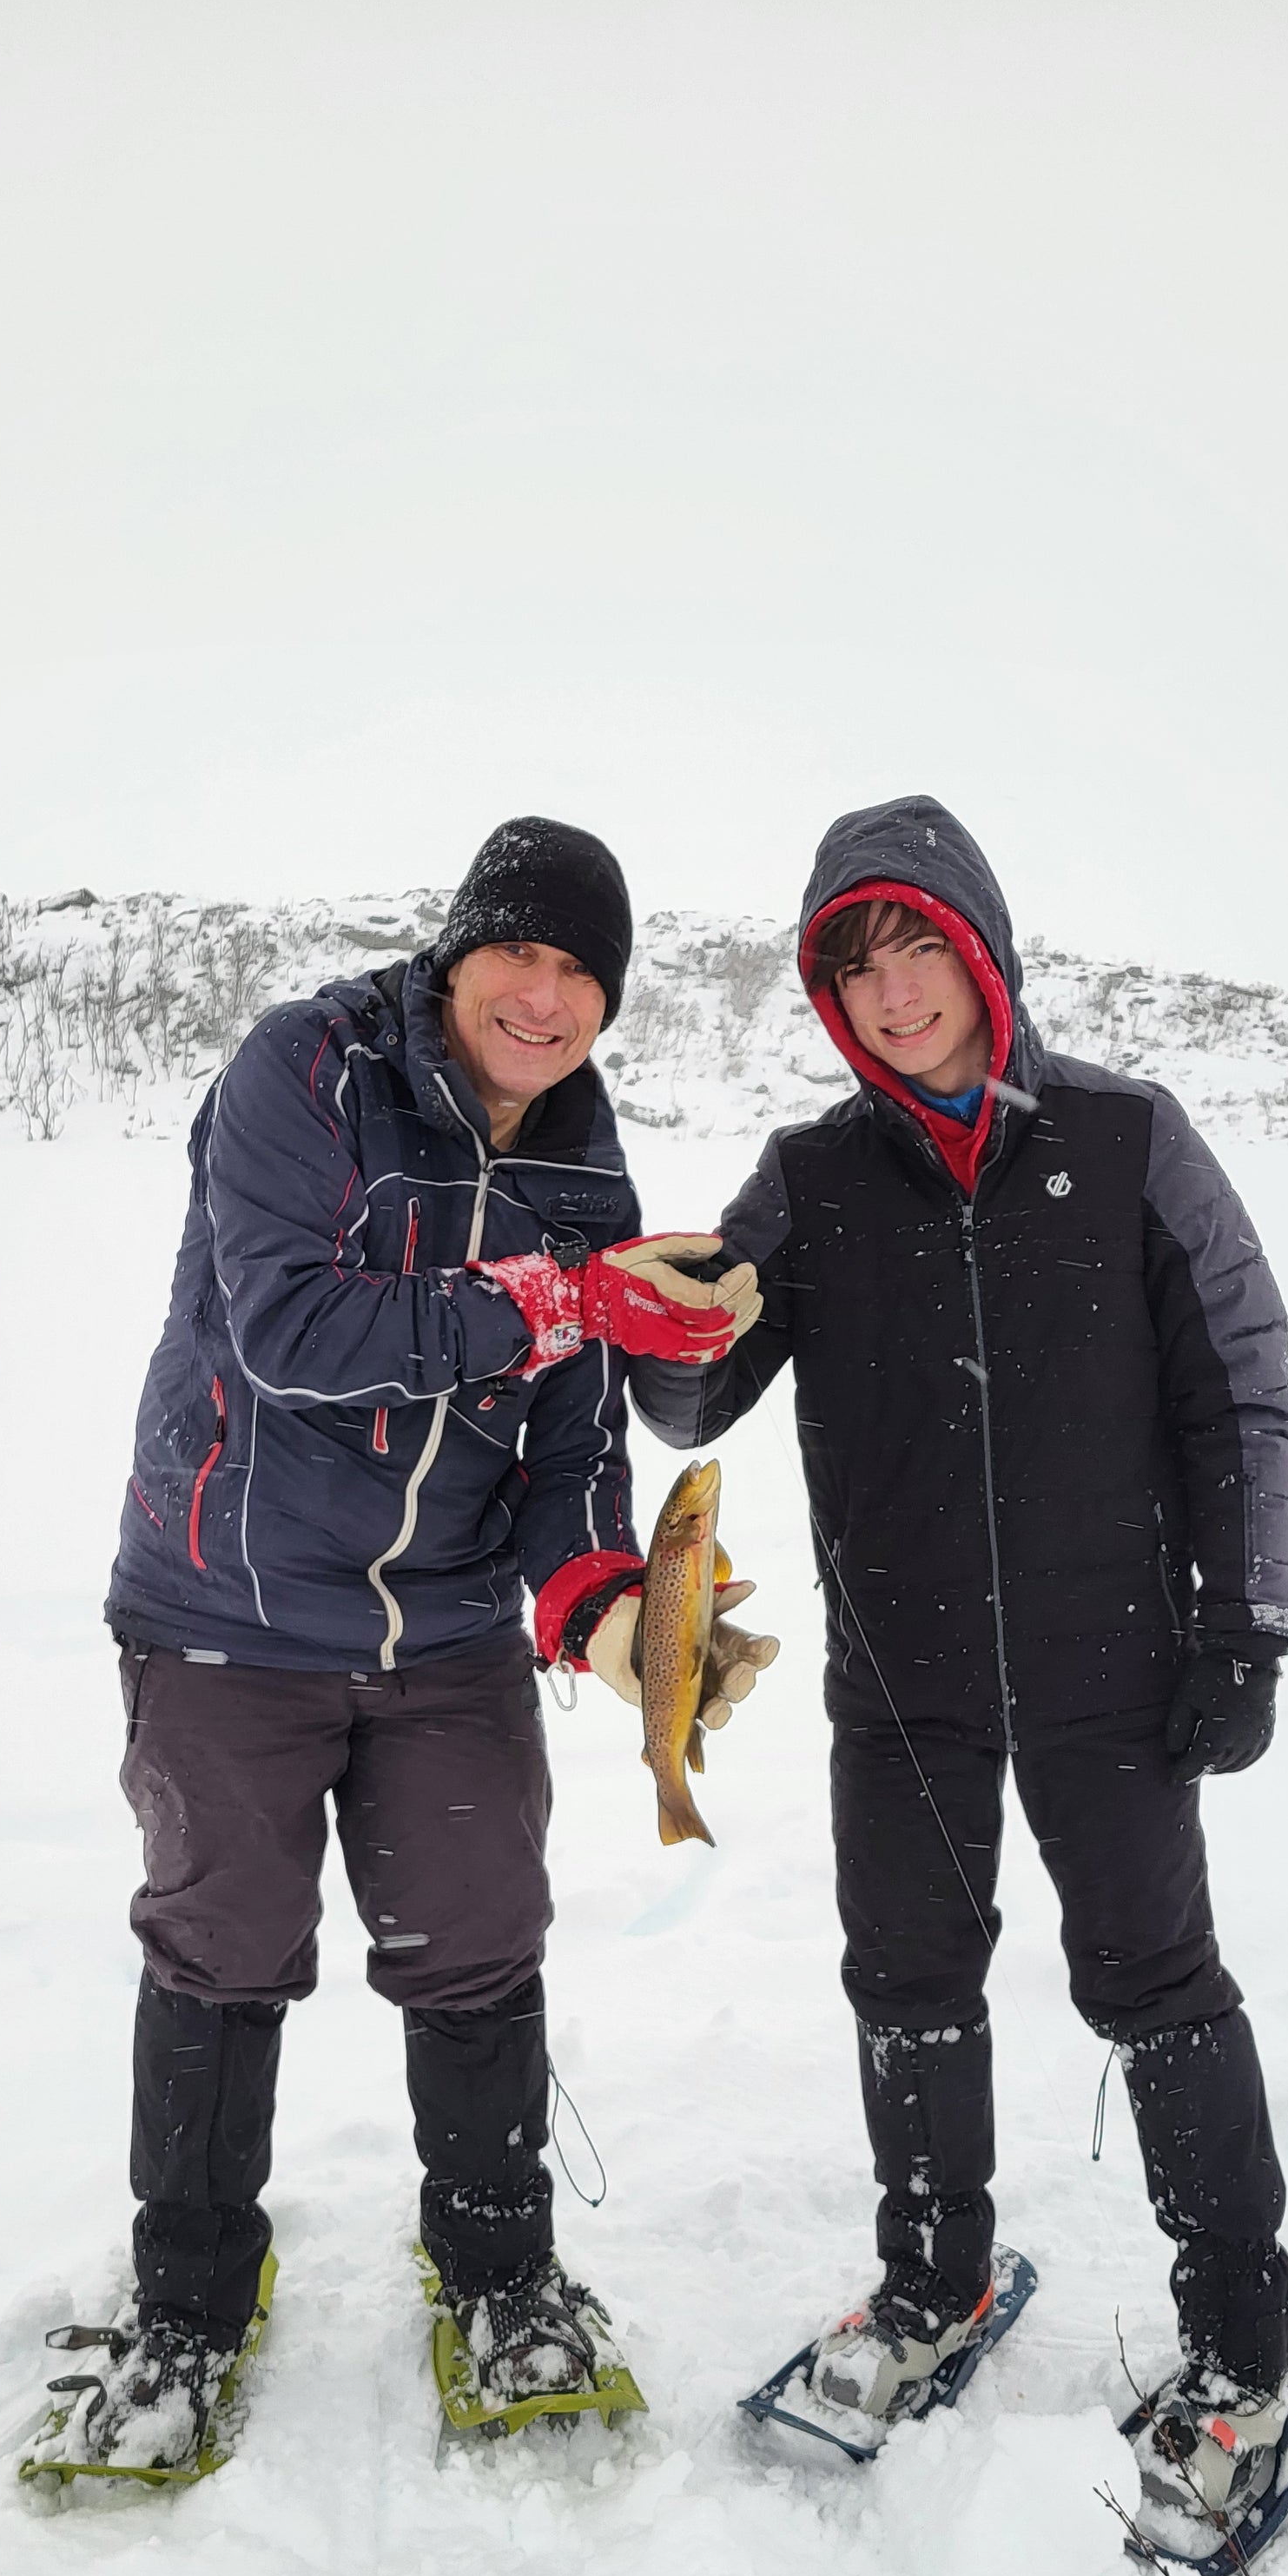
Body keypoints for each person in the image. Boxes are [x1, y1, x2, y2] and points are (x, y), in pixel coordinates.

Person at [629, 795, 1288, 2546]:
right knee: (905, 1976)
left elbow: (1238, 1389)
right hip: (901, 1676)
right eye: (851, 965)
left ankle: (1243, 2316)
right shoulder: (811, 1181)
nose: (890, 991)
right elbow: (692, 1395)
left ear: (978, 948)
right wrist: (665, 1313)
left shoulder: (1124, 1141)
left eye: (914, 945)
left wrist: (1241, 1623)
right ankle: (927, 2277)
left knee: (1153, 1979)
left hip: (1111, 1662)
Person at [84, 815, 772, 2468]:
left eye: (581, 976)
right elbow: (295, 1328)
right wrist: (558, 1297)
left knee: (479, 1939)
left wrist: (610, 1613)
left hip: (448, 1633)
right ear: (454, 950)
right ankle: (187, 2300)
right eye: (516, 956)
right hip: (229, 1611)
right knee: (222, 1950)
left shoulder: (587, 1171)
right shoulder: (303, 1073)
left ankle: (498, 2271)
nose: (542, 999)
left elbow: (573, 1452)